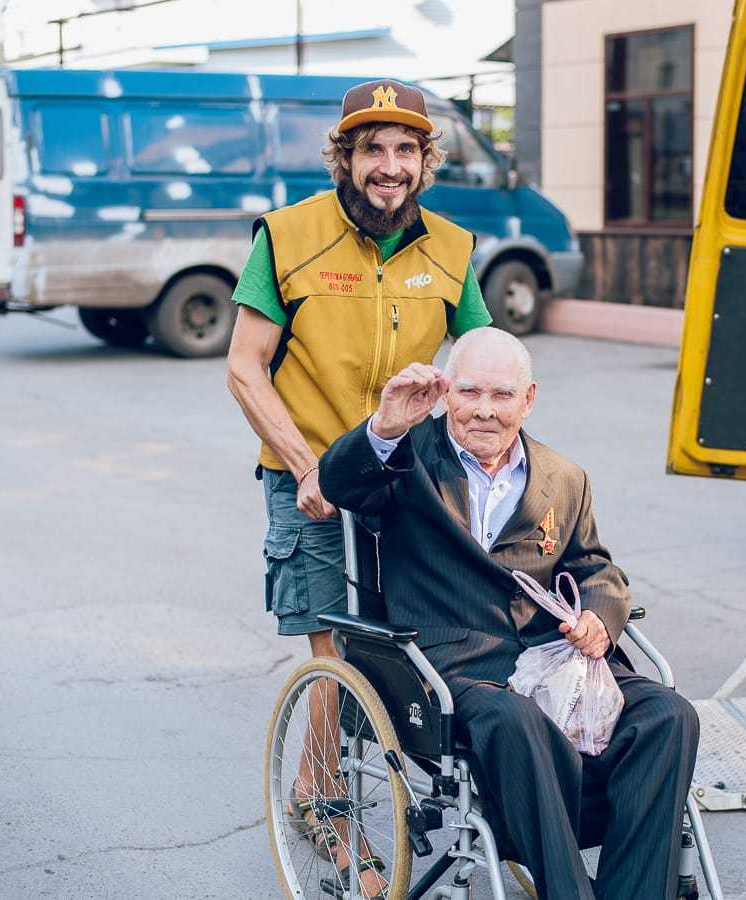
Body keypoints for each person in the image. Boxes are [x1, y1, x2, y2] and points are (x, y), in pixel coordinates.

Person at [319, 328, 700, 900]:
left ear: (529, 399)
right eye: (469, 392)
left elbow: (596, 568)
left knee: (670, 714)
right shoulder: (408, 458)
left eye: (501, 396)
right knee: (516, 718)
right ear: (447, 394)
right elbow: (338, 482)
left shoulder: (563, 477)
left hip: (555, 663)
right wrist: (385, 426)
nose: (484, 411)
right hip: (449, 666)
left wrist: (599, 614)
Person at [226, 78, 491, 895]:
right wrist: (308, 467)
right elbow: (244, 368)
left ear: (424, 161)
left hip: (405, 480)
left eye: (405, 149)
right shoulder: (291, 236)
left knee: (424, 639)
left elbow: (484, 359)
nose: (389, 165)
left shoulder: (450, 248)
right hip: (311, 478)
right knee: (335, 649)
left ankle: (471, 794)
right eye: (372, 148)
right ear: (343, 158)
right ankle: (327, 809)